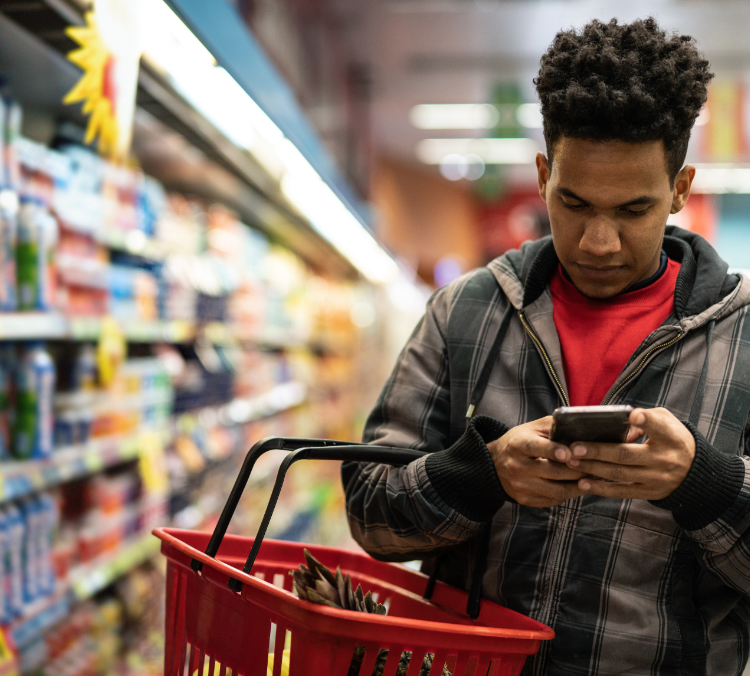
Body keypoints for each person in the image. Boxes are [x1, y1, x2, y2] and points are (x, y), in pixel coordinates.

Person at [342, 17, 750, 675]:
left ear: (680, 189)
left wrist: (706, 485)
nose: (598, 241)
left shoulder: (743, 337)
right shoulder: (465, 313)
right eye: (575, 202)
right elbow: (371, 511)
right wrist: (480, 476)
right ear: (541, 176)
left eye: (633, 210)